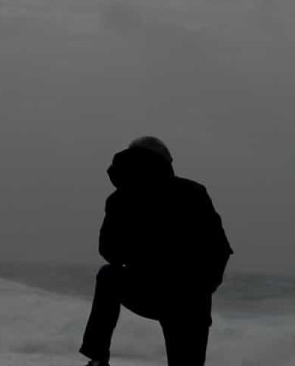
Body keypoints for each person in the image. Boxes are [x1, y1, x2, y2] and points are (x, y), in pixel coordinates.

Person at [79, 136, 232, 366]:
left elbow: (109, 251)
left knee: (108, 276)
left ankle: (98, 356)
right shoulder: (192, 191)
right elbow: (219, 248)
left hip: (148, 291)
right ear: (166, 162)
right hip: (189, 300)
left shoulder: (119, 199)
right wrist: (205, 288)